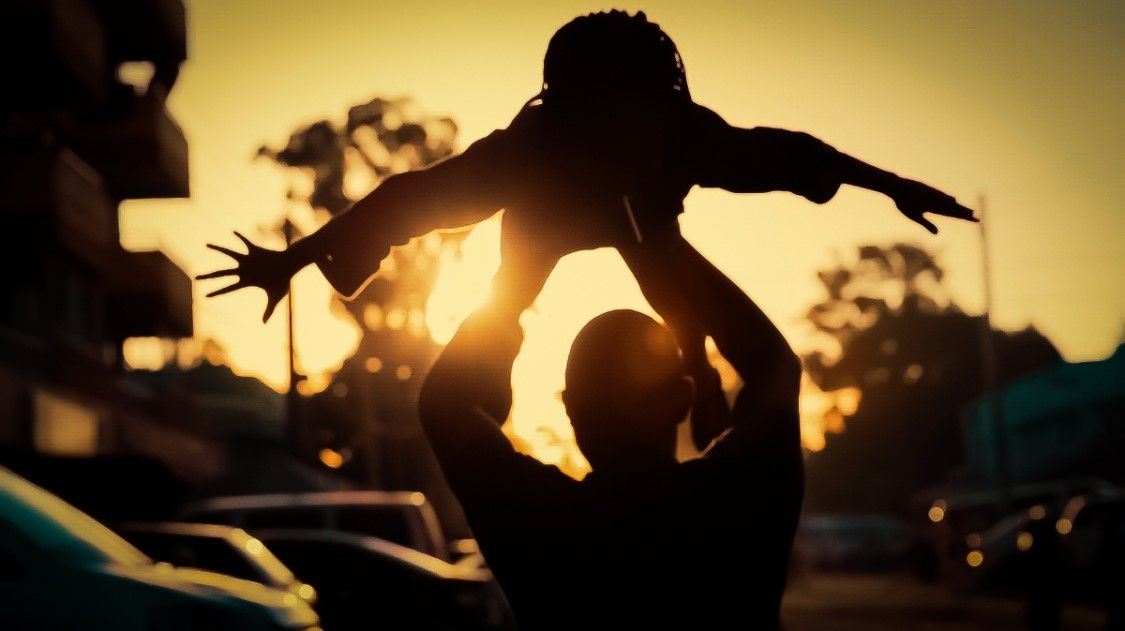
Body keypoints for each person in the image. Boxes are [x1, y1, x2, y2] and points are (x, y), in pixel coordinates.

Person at [197, 10, 975, 328]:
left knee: (686, 313)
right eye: (600, 120)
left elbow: (794, 151)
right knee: (498, 322)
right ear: (567, 115)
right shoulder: (532, 156)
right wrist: (295, 258)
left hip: (646, 231)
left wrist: (892, 186)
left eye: (629, 116)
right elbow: (410, 197)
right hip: (542, 233)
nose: (614, 139)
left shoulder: (680, 137)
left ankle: (696, 374)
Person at [418, 227, 802, 629]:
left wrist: (516, 279)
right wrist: (657, 240)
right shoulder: (738, 500)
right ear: (682, 399)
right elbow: (774, 365)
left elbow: (443, 405)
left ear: (571, 411)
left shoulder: (538, 522)